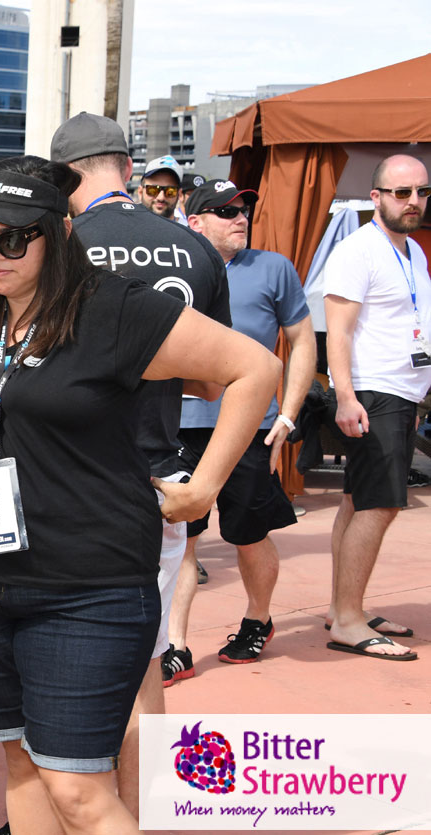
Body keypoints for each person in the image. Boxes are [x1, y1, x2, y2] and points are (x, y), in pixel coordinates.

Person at [0, 156, 278, 835]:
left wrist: (204, 487)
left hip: (85, 585)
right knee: (20, 766)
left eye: (13, 237)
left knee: (78, 791)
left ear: (57, 233)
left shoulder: (115, 308)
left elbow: (255, 367)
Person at [49, 111, 232, 817]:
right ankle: (143, 808)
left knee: (66, 661)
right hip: (159, 476)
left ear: (66, 177)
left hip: (72, 480)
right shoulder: (193, 249)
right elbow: (213, 381)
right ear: (126, 168)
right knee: (145, 658)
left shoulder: (61, 248)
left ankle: (84, 810)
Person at [163, 180, 317, 684]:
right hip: (180, 423)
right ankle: (176, 645)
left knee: (248, 533)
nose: (240, 216)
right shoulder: (172, 263)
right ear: (196, 221)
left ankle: (258, 619)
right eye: (225, 210)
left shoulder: (274, 268)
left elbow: (299, 340)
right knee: (180, 537)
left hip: (250, 426)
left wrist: (289, 415)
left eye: (244, 208)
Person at [322, 153, 431, 661]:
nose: (413, 202)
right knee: (379, 505)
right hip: (372, 391)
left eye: (422, 193)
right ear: (376, 197)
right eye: (402, 192)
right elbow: (337, 332)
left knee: (356, 501)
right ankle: (347, 619)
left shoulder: (413, 252)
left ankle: (348, 607)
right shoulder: (357, 250)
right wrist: (345, 395)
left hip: (401, 392)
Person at [139, 154, 183, 220]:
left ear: (179, 195)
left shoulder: (188, 229)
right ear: (140, 192)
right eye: (152, 190)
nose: (161, 198)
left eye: (170, 192)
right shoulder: (126, 227)